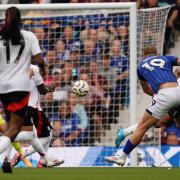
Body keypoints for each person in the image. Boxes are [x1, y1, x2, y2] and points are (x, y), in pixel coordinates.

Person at [105, 48, 180, 166]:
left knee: (142, 127)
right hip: (178, 90)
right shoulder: (166, 58)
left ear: (143, 55)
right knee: (159, 122)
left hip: (165, 94)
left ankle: (121, 156)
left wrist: (157, 96)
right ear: (157, 54)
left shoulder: (140, 66)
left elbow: (146, 90)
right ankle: (128, 133)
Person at [0, 7, 46, 173]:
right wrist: (44, 69)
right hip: (19, 87)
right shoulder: (28, 36)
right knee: (15, 128)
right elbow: (39, 59)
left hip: (2, 87)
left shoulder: (1, 38)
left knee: (9, 126)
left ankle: (5, 160)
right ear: (20, 20)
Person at [11, 65, 64, 167]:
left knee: (37, 135)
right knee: (42, 135)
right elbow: (42, 90)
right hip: (32, 109)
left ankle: (44, 160)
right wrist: (50, 87)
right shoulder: (34, 68)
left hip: (20, 108)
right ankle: (10, 142)